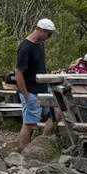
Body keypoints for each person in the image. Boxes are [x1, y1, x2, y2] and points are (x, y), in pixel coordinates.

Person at [14, 18, 56, 149]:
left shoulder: (39, 44)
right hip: (30, 91)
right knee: (29, 124)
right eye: (48, 34)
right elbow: (18, 72)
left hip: (42, 89)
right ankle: (24, 151)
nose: (49, 37)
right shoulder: (25, 47)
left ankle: (42, 143)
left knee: (54, 114)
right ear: (41, 30)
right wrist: (26, 95)